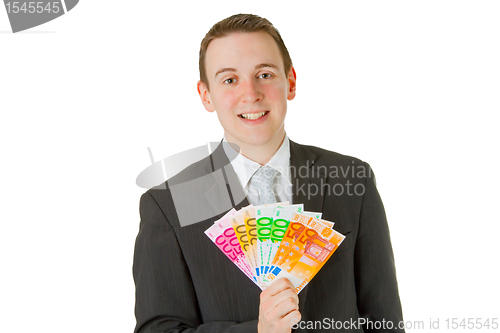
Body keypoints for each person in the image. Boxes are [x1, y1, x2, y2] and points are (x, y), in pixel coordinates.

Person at [133, 14, 405, 333]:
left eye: (264, 74)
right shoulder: (171, 204)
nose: (251, 93)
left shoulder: (350, 178)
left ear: (290, 82)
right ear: (206, 95)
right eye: (230, 79)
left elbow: (384, 321)